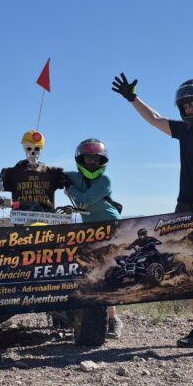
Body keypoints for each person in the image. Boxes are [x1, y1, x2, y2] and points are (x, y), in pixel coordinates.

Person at [111, 74, 193, 356]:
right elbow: (156, 119)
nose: (190, 108)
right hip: (185, 209)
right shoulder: (185, 131)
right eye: (185, 104)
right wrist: (133, 98)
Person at [63, 138, 125, 338]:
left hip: (110, 226)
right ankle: (84, 314)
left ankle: (113, 320)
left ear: (102, 161)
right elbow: (53, 175)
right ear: (81, 159)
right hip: (89, 229)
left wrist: (69, 189)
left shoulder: (105, 181)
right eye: (88, 158)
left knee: (106, 271)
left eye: (95, 159)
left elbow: (86, 201)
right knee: (88, 271)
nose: (91, 162)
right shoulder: (74, 176)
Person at [0, 130, 69, 212]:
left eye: (36, 148)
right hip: (22, 219)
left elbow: (66, 183)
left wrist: (68, 188)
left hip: (46, 219)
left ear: (41, 149)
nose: (33, 152)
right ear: (24, 149)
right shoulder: (14, 173)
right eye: (29, 148)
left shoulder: (52, 173)